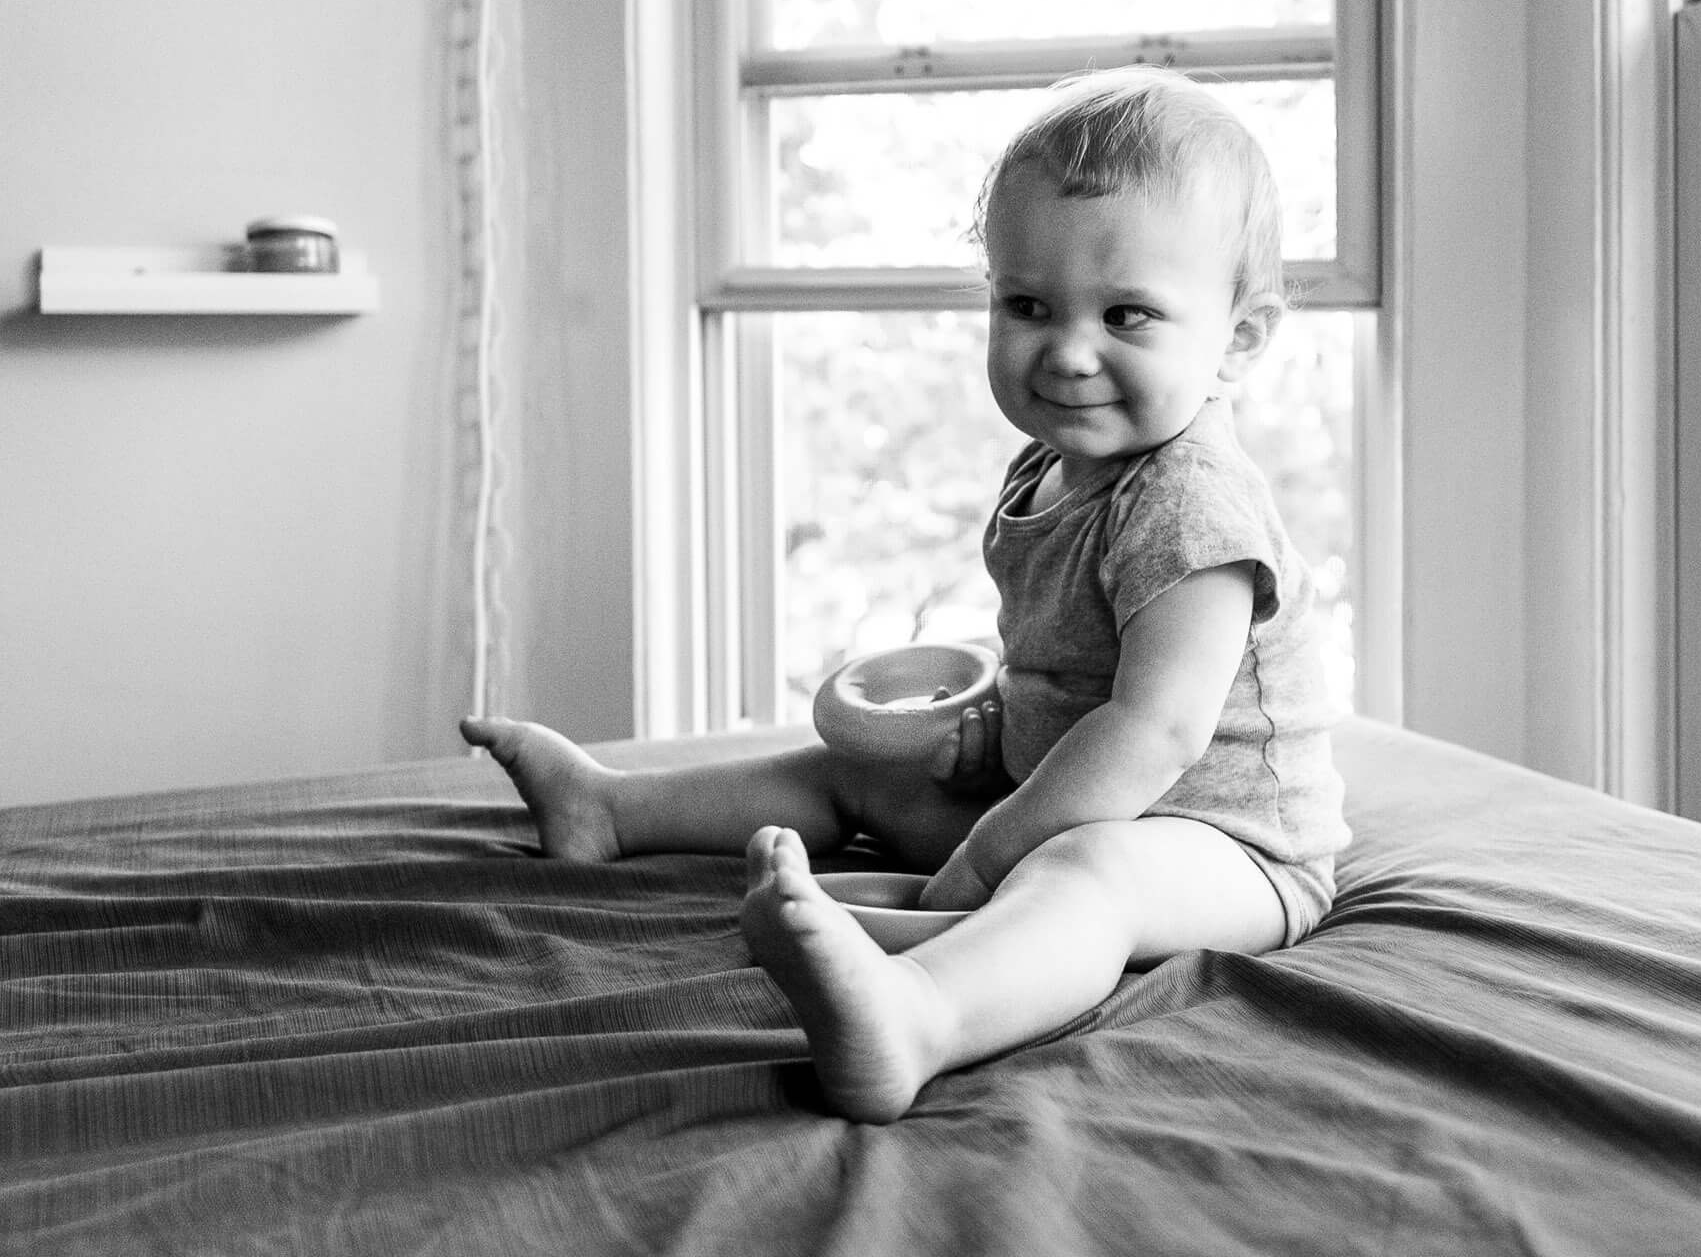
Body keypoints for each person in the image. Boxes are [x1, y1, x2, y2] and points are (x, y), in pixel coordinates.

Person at [460, 67, 1348, 1122]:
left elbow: (1153, 729)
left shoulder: (1191, 503)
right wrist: (989, 731)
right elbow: (1066, 654)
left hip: (1227, 845)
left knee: (1088, 870)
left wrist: (991, 846)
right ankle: (611, 808)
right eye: (1027, 304)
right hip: (1060, 782)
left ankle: (918, 1010)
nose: (1067, 352)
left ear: (1239, 337)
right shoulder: (1051, 464)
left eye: (1128, 313)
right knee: (859, 772)